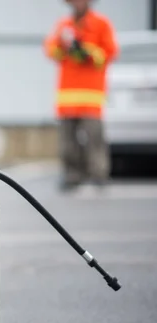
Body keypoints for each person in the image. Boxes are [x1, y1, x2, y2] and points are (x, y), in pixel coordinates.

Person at [44, 0, 118, 191]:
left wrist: (88, 53)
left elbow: (110, 52)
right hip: (67, 96)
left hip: (91, 95)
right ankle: (72, 175)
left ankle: (99, 175)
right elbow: (51, 49)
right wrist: (64, 47)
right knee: (68, 142)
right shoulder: (64, 26)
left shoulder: (101, 24)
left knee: (94, 139)